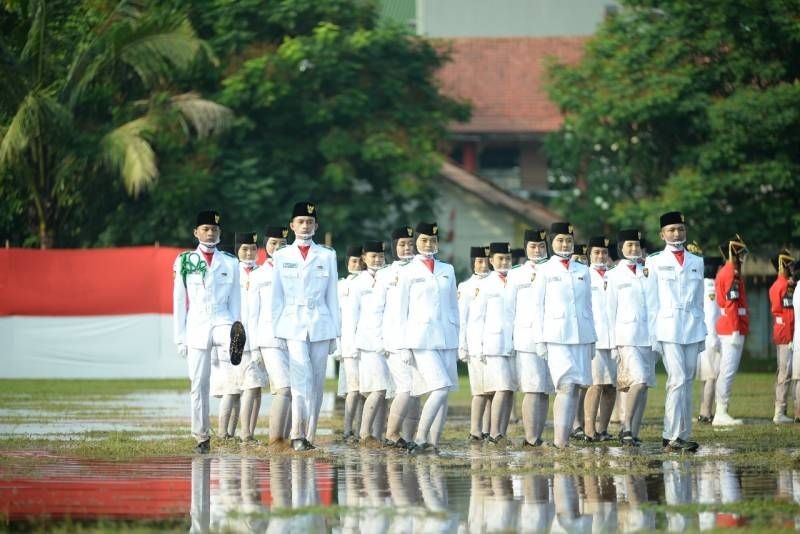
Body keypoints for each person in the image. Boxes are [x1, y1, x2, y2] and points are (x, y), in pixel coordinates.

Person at [271, 201, 340, 451]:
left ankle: (309, 434)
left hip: (321, 322)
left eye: (310, 222)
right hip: (292, 322)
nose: (305, 226)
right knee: (300, 377)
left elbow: (333, 296)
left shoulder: (327, 255)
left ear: (316, 225)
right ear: (292, 226)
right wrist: (276, 331)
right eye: (300, 221)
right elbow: (276, 297)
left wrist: (336, 333)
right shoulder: (281, 256)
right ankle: (297, 433)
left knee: (318, 381)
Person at [173, 210, 242, 454]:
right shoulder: (184, 261)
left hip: (223, 319)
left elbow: (235, 299)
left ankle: (236, 346)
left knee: (229, 336)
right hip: (197, 324)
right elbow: (180, 302)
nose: (210, 233)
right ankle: (202, 437)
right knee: (199, 384)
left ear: (220, 233)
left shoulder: (231, 262)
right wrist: (180, 338)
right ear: (196, 232)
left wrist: (238, 325)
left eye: (214, 229)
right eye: (205, 229)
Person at [531, 222, 596, 449]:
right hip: (556, 336)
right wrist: (539, 340)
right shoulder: (545, 270)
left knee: (577, 386)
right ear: (551, 242)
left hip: (581, 335)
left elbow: (588, 306)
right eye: (560, 240)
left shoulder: (582, 270)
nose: (565, 244)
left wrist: (593, 338)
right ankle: (560, 440)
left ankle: (565, 437)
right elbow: (537, 307)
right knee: (565, 386)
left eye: (568, 240)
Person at [644, 211, 704, 452]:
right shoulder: (655, 261)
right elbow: (650, 302)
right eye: (671, 230)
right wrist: (652, 336)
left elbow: (700, 299)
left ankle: (683, 433)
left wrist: (703, 330)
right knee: (677, 379)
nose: (676, 233)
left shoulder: (696, 261)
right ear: (662, 234)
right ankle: (670, 435)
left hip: (691, 325)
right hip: (667, 326)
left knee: (688, 380)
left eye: (680, 229)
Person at [398, 222, 459, 454]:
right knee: (440, 387)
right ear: (416, 242)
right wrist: (402, 346)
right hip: (419, 339)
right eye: (424, 240)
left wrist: (458, 339)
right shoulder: (407, 271)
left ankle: (434, 442)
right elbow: (400, 311)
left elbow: (454, 307)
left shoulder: (447, 269)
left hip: (446, 336)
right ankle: (420, 438)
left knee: (444, 393)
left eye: (433, 240)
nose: (429, 245)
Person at [464, 242, 516, 444]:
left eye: (507, 258)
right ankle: (492, 433)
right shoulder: (482, 285)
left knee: (507, 389)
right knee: (495, 389)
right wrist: (474, 348)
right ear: (492, 261)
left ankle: (498, 431)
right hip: (489, 345)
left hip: (511, 344)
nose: (504, 262)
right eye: (500, 259)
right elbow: (475, 319)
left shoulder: (514, 281)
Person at [344, 241, 394, 444]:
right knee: (378, 388)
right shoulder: (357, 283)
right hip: (366, 343)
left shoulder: (389, 278)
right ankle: (364, 433)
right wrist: (350, 348)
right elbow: (350, 318)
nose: (377, 260)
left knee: (385, 393)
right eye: (373, 256)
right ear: (364, 258)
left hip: (388, 342)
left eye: (380, 256)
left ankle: (378, 434)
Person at [507, 228, 554, 447]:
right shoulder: (516, 273)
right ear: (526, 248)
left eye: (542, 246)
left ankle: (538, 434)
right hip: (526, 337)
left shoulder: (554, 269)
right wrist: (509, 340)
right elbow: (508, 310)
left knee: (545, 390)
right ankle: (530, 436)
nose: (537, 250)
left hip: (553, 337)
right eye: (533, 246)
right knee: (532, 388)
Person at [606, 229, 652, 446]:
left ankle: (633, 432)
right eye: (629, 245)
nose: (634, 249)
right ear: (621, 248)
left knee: (644, 387)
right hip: (626, 337)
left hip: (648, 337)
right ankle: (624, 426)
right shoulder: (613, 275)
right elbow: (609, 311)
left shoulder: (648, 272)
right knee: (639, 381)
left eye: (636, 245)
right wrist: (612, 344)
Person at [251, 225, 292, 445]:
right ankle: (275, 440)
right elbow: (252, 313)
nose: (277, 248)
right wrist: (253, 346)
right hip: (268, 339)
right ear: (265, 246)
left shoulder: (294, 271)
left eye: (283, 244)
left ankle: (285, 437)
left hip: (292, 338)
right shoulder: (259, 275)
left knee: (292, 390)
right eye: (273, 243)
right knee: (283, 387)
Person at [380, 226, 420, 448]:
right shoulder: (387, 273)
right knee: (405, 387)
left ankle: (410, 437)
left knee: (416, 391)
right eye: (402, 244)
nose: (407, 248)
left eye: (410, 244)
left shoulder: (421, 269)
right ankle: (392, 434)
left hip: (420, 340)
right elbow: (380, 310)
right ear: (394, 247)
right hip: (395, 340)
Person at [713, 234, 749, 426]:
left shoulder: (731, 271)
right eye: (740, 251)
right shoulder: (730, 273)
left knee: (726, 370)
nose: (743, 255)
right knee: (727, 371)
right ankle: (721, 412)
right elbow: (731, 304)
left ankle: (721, 410)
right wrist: (735, 328)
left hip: (730, 325)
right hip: (731, 327)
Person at [235, 231, 268, 444]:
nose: (249, 253)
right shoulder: (232, 271)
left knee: (257, 388)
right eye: (245, 249)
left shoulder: (262, 272)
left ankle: (250, 431)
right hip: (240, 335)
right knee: (248, 385)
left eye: (253, 248)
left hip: (261, 335)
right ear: (237, 250)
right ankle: (244, 433)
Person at [584, 236, 616, 442]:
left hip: (614, 337)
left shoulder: (615, 275)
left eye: (604, 252)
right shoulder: (584, 275)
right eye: (596, 252)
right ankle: (589, 429)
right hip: (594, 337)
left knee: (611, 386)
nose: (601, 256)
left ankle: (603, 429)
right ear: (589, 255)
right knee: (595, 385)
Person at [458, 246, 492, 441]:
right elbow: (462, 319)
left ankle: (488, 430)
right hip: (474, 345)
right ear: (473, 263)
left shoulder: (498, 283)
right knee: (479, 392)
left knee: (493, 392)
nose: (483, 265)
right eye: (479, 261)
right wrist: (462, 345)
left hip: (494, 344)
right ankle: (475, 430)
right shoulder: (466, 286)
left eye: (486, 261)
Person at [338, 244, 365, 441]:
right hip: (348, 343)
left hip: (367, 342)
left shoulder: (368, 283)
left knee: (367, 390)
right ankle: (347, 429)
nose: (357, 264)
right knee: (352, 390)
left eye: (359, 261)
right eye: (353, 261)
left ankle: (362, 428)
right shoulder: (341, 285)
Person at [696, 253, 723, 424]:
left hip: (703, 338)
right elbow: (712, 316)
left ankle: (703, 410)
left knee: (706, 378)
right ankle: (706, 412)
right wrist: (715, 340)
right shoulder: (711, 287)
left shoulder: (701, 285)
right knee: (712, 377)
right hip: (711, 338)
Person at [769, 250, 795, 424]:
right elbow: (787, 313)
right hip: (786, 331)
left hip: (782, 330)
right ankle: (780, 411)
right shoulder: (784, 286)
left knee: (784, 372)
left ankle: (781, 409)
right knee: (785, 373)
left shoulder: (781, 285)